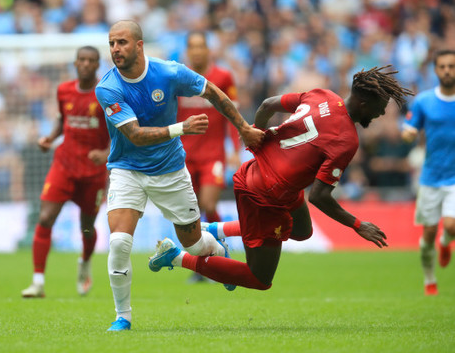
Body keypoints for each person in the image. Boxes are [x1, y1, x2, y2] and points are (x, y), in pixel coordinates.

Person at [149, 66, 413, 293]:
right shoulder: (346, 140)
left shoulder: (322, 95)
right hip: (264, 194)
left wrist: (255, 133)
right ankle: (175, 257)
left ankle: (214, 230)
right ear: (365, 103)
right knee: (259, 278)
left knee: (301, 230)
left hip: (268, 176)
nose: (381, 113)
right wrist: (357, 224)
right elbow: (319, 196)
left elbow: (266, 105)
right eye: (381, 107)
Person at [95, 20, 264, 332]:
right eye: (112, 44)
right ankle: (123, 317)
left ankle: (216, 247)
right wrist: (181, 128)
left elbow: (212, 90)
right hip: (126, 169)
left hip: (170, 170)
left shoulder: (168, 72)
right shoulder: (108, 88)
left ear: (139, 45)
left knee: (195, 243)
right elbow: (134, 135)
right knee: (119, 241)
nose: (116, 49)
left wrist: (242, 127)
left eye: (122, 43)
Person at [21, 46, 110, 298]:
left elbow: (119, 130)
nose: (85, 64)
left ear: (97, 65)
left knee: (86, 227)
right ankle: (38, 281)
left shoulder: (105, 94)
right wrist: (50, 137)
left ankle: (84, 262)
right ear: (75, 63)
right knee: (46, 217)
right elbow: (63, 119)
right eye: (81, 60)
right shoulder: (64, 90)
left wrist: (105, 154)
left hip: (93, 171)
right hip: (64, 165)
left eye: (91, 61)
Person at [177, 31, 242, 284]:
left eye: (200, 46)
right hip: (183, 155)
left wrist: (235, 150)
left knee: (208, 203)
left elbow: (231, 113)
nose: (196, 51)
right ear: (187, 51)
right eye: (192, 46)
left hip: (213, 154)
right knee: (191, 212)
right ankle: (202, 266)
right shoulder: (179, 76)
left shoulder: (223, 77)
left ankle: (222, 255)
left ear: (208, 50)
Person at [401, 49, 455, 296]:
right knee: (429, 233)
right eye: (443, 66)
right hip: (431, 177)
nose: (447, 71)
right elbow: (408, 127)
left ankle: (446, 244)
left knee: (451, 226)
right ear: (435, 70)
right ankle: (429, 279)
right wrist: (408, 134)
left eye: (451, 66)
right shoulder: (424, 101)